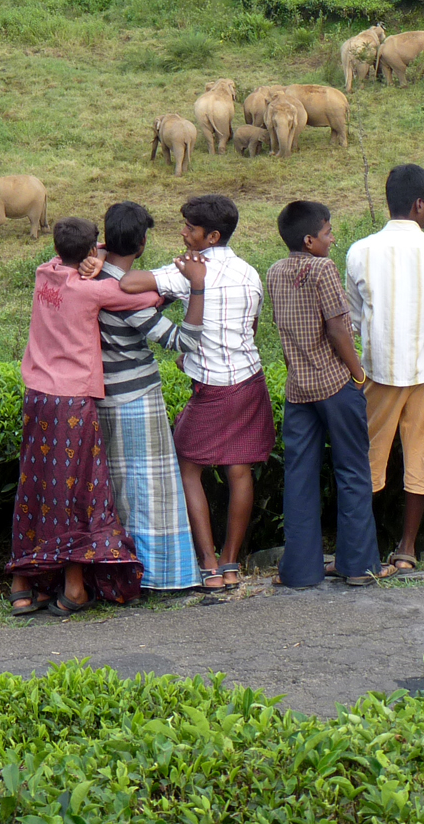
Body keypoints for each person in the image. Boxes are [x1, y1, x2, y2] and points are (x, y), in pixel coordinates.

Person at [6, 216, 171, 616]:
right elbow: (147, 298)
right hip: (73, 403)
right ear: (92, 248)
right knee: (78, 492)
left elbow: (68, 257)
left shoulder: (44, 273)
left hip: (37, 396)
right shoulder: (92, 292)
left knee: (37, 487)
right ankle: (74, 587)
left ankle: (23, 582)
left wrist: (90, 255)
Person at [113, 194, 268, 593]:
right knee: (239, 469)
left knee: (186, 464)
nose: (183, 233)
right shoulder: (250, 271)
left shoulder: (189, 270)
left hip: (214, 387)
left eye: (189, 228)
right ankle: (232, 563)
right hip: (250, 379)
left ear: (210, 235)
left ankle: (209, 563)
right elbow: (247, 328)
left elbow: (129, 282)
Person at [344, 164, 424, 575]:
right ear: (419, 204)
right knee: (423, 456)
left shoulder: (358, 251)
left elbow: (353, 321)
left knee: (368, 460)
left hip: (376, 371)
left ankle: (363, 551)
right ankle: (407, 548)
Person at [268, 199, 380, 589]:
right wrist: (358, 373)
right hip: (335, 384)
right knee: (352, 472)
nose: (332, 240)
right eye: (328, 233)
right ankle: (358, 567)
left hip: (298, 387)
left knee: (299, 477)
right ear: (310, 240)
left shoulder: (275, 271)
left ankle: (300, 571)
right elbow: (337, 329)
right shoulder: (323, 268)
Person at [93, 201, 203, 594]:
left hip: (104, 396)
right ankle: (159, 576)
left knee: (118, 489)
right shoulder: (126, 296)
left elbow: (142, 307)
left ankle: (118, 571)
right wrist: (197, 288)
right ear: (141, 244)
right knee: (150, 490)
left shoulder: (91, 278)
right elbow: (182, 340)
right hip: (136, 398)